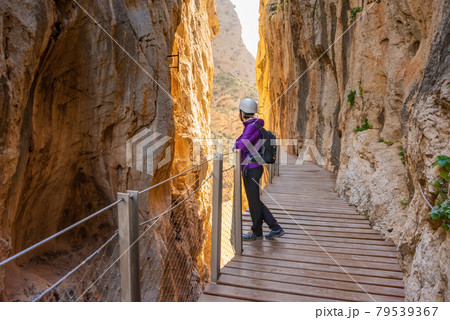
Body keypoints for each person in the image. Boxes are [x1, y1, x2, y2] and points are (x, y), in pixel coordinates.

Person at [233, 98, 285, 241]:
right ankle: (260, 231)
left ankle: (273, 228)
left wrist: (235, 144)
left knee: (254, 201)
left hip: (252, 168)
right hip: (253, 167)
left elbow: (240, 146)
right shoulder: (254, 125)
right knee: (254, 201)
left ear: (242, 113)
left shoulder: (251, 127)